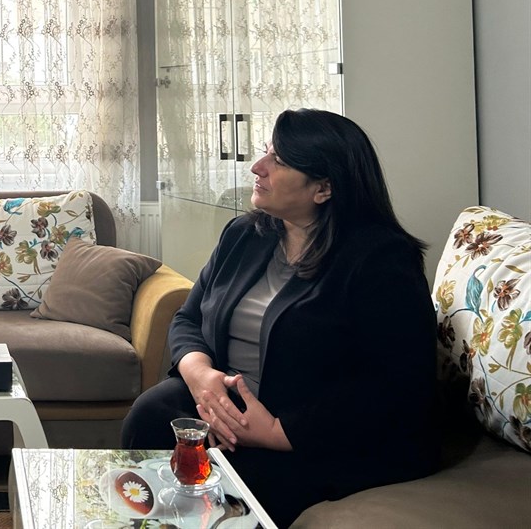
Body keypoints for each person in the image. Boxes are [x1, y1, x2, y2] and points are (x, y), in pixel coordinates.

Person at [122, 108, 438, 527]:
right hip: (231, 407)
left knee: (235, 491)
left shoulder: (382, 261)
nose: (258, 167)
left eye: (279, 160)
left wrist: (276, 431)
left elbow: (397, 383)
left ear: (323, 187)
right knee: (150, 414)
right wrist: (201, 377)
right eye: (265, 152)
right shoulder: (243, 235)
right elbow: (188, 318)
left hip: (313, 429)